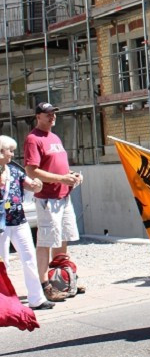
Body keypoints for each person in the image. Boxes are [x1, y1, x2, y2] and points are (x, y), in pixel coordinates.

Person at [23, 102, 84, 300]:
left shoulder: (55, 137)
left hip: (63, 195)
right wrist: (61, 179)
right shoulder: (33, 139)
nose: (52, 117)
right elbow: (31, 170)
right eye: (47, 114)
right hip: (48, 198)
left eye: (54, 114)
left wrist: (72, 176)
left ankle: (62, 278)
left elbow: (59, 167)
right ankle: (45, 284)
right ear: (38, 116)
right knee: (46, 241)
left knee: (62, 238)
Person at [0, 135, 53, 311]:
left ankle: (37, 299)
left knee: (29, 257)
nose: (12, 155)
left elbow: (29, 184)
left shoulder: (13, 170)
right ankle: (4, 303)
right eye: (10, 151)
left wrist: (37, 185)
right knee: (3, 263)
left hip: (19, 221)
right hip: (1, 225)